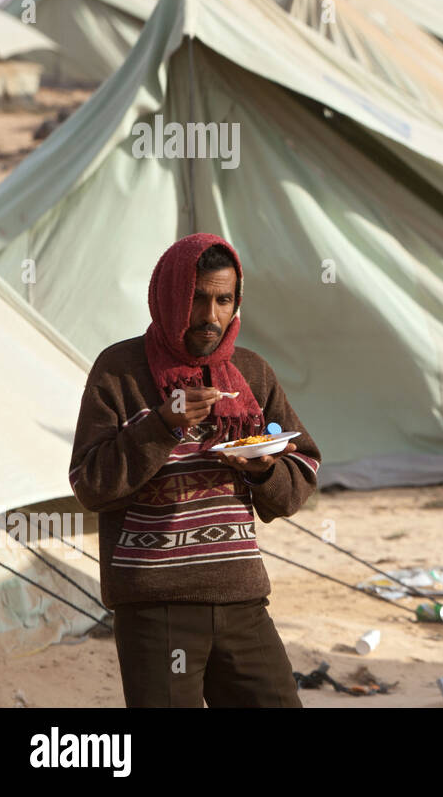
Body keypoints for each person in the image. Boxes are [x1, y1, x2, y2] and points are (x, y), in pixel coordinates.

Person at [69, 232, 321, 707]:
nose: (211, 317)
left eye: (224, 300)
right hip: (155, 609)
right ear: (169, 296)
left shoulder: (252, 372)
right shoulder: (118, 371)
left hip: (242, 600)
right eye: (196, 298)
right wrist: (162, 424)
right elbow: (90, 484)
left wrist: (264, 467)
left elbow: (302, 469)